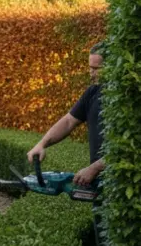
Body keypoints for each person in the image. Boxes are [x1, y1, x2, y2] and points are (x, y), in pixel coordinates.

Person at [26, 42, 105, 186]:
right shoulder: (93, 92)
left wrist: (95, 167)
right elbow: (69, 121)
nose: (91, 73)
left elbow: (127, 149)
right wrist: (42, 144)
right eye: (90, 68)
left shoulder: (125, 100)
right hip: (99, 181)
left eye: (96, 69)